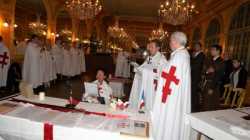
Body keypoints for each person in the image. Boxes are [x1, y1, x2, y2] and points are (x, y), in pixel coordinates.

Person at [152, 31, 191, 140]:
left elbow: (169, 76)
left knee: (170, 115)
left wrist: (159, 74)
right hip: (175, 92)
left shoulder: (179, 57)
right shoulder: (182, 54)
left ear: (175, 41)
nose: (170, 43)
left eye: (170, 41)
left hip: (172, 95)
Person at [129, 39, 167, 111]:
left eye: (152, 47)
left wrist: (144, 71)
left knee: (150, 106)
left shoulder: (162, 60)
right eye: (149, 47)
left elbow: (159, 74)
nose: (149, 49)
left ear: (158, 48)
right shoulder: (149, 57)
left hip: (153, 89)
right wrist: (137, 67)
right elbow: (144, 68)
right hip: (144, 86)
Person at [202, 44, 225, 111]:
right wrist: (207, 71)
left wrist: (212, 87)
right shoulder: (209, 60)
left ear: (218, 51)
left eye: (213, 50)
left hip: (213, 84)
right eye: (211, 49)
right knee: (205, 102)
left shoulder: (221, 62)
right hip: (206, 82)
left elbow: (219, 76)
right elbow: (204, 70)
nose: (211, 51)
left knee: (210, 103)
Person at [191, 42, 205, 112]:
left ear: (200, 47)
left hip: (196, 76)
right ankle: (192, 103)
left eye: (197, 46)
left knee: (194, 91)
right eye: (195, 46)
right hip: (192, 75)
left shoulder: (202, 55)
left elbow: (196, 65)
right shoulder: (193, 54)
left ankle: (194, 106)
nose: (195, 47)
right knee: (192, 91)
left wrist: (189, 66)